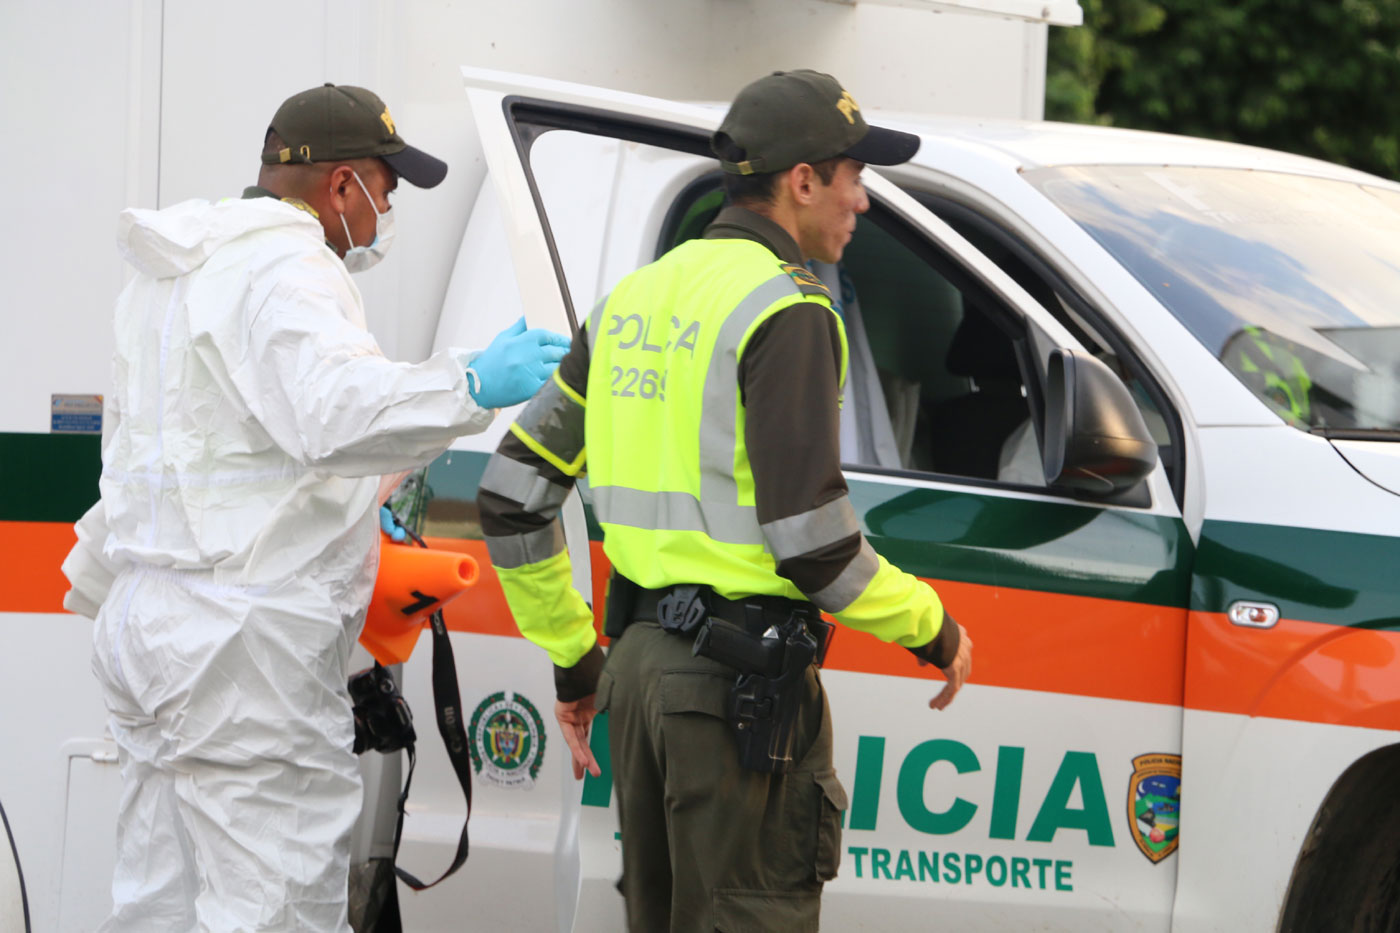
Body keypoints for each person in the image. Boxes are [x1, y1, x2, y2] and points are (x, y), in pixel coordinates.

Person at [60, 83, 569, 932]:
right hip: (241, 653)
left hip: (149, 628)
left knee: (158, 905)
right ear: (342, 186)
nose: (383, 218)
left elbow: (212, 452)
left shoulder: (175, 273)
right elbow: (333, 414)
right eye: (385, 192)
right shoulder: (288, 266)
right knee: (276, 908)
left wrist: (368, 492)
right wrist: (472, 381)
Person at [478, 69, 974, 932]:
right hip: (737, 690)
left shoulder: (631, 301)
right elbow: (811, 541)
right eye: (854, 174)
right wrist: (932, 626)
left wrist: (575, 655)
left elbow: (513, 491)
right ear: (803, 180)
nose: (863, 200)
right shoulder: (788, 309)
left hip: (637, 678)